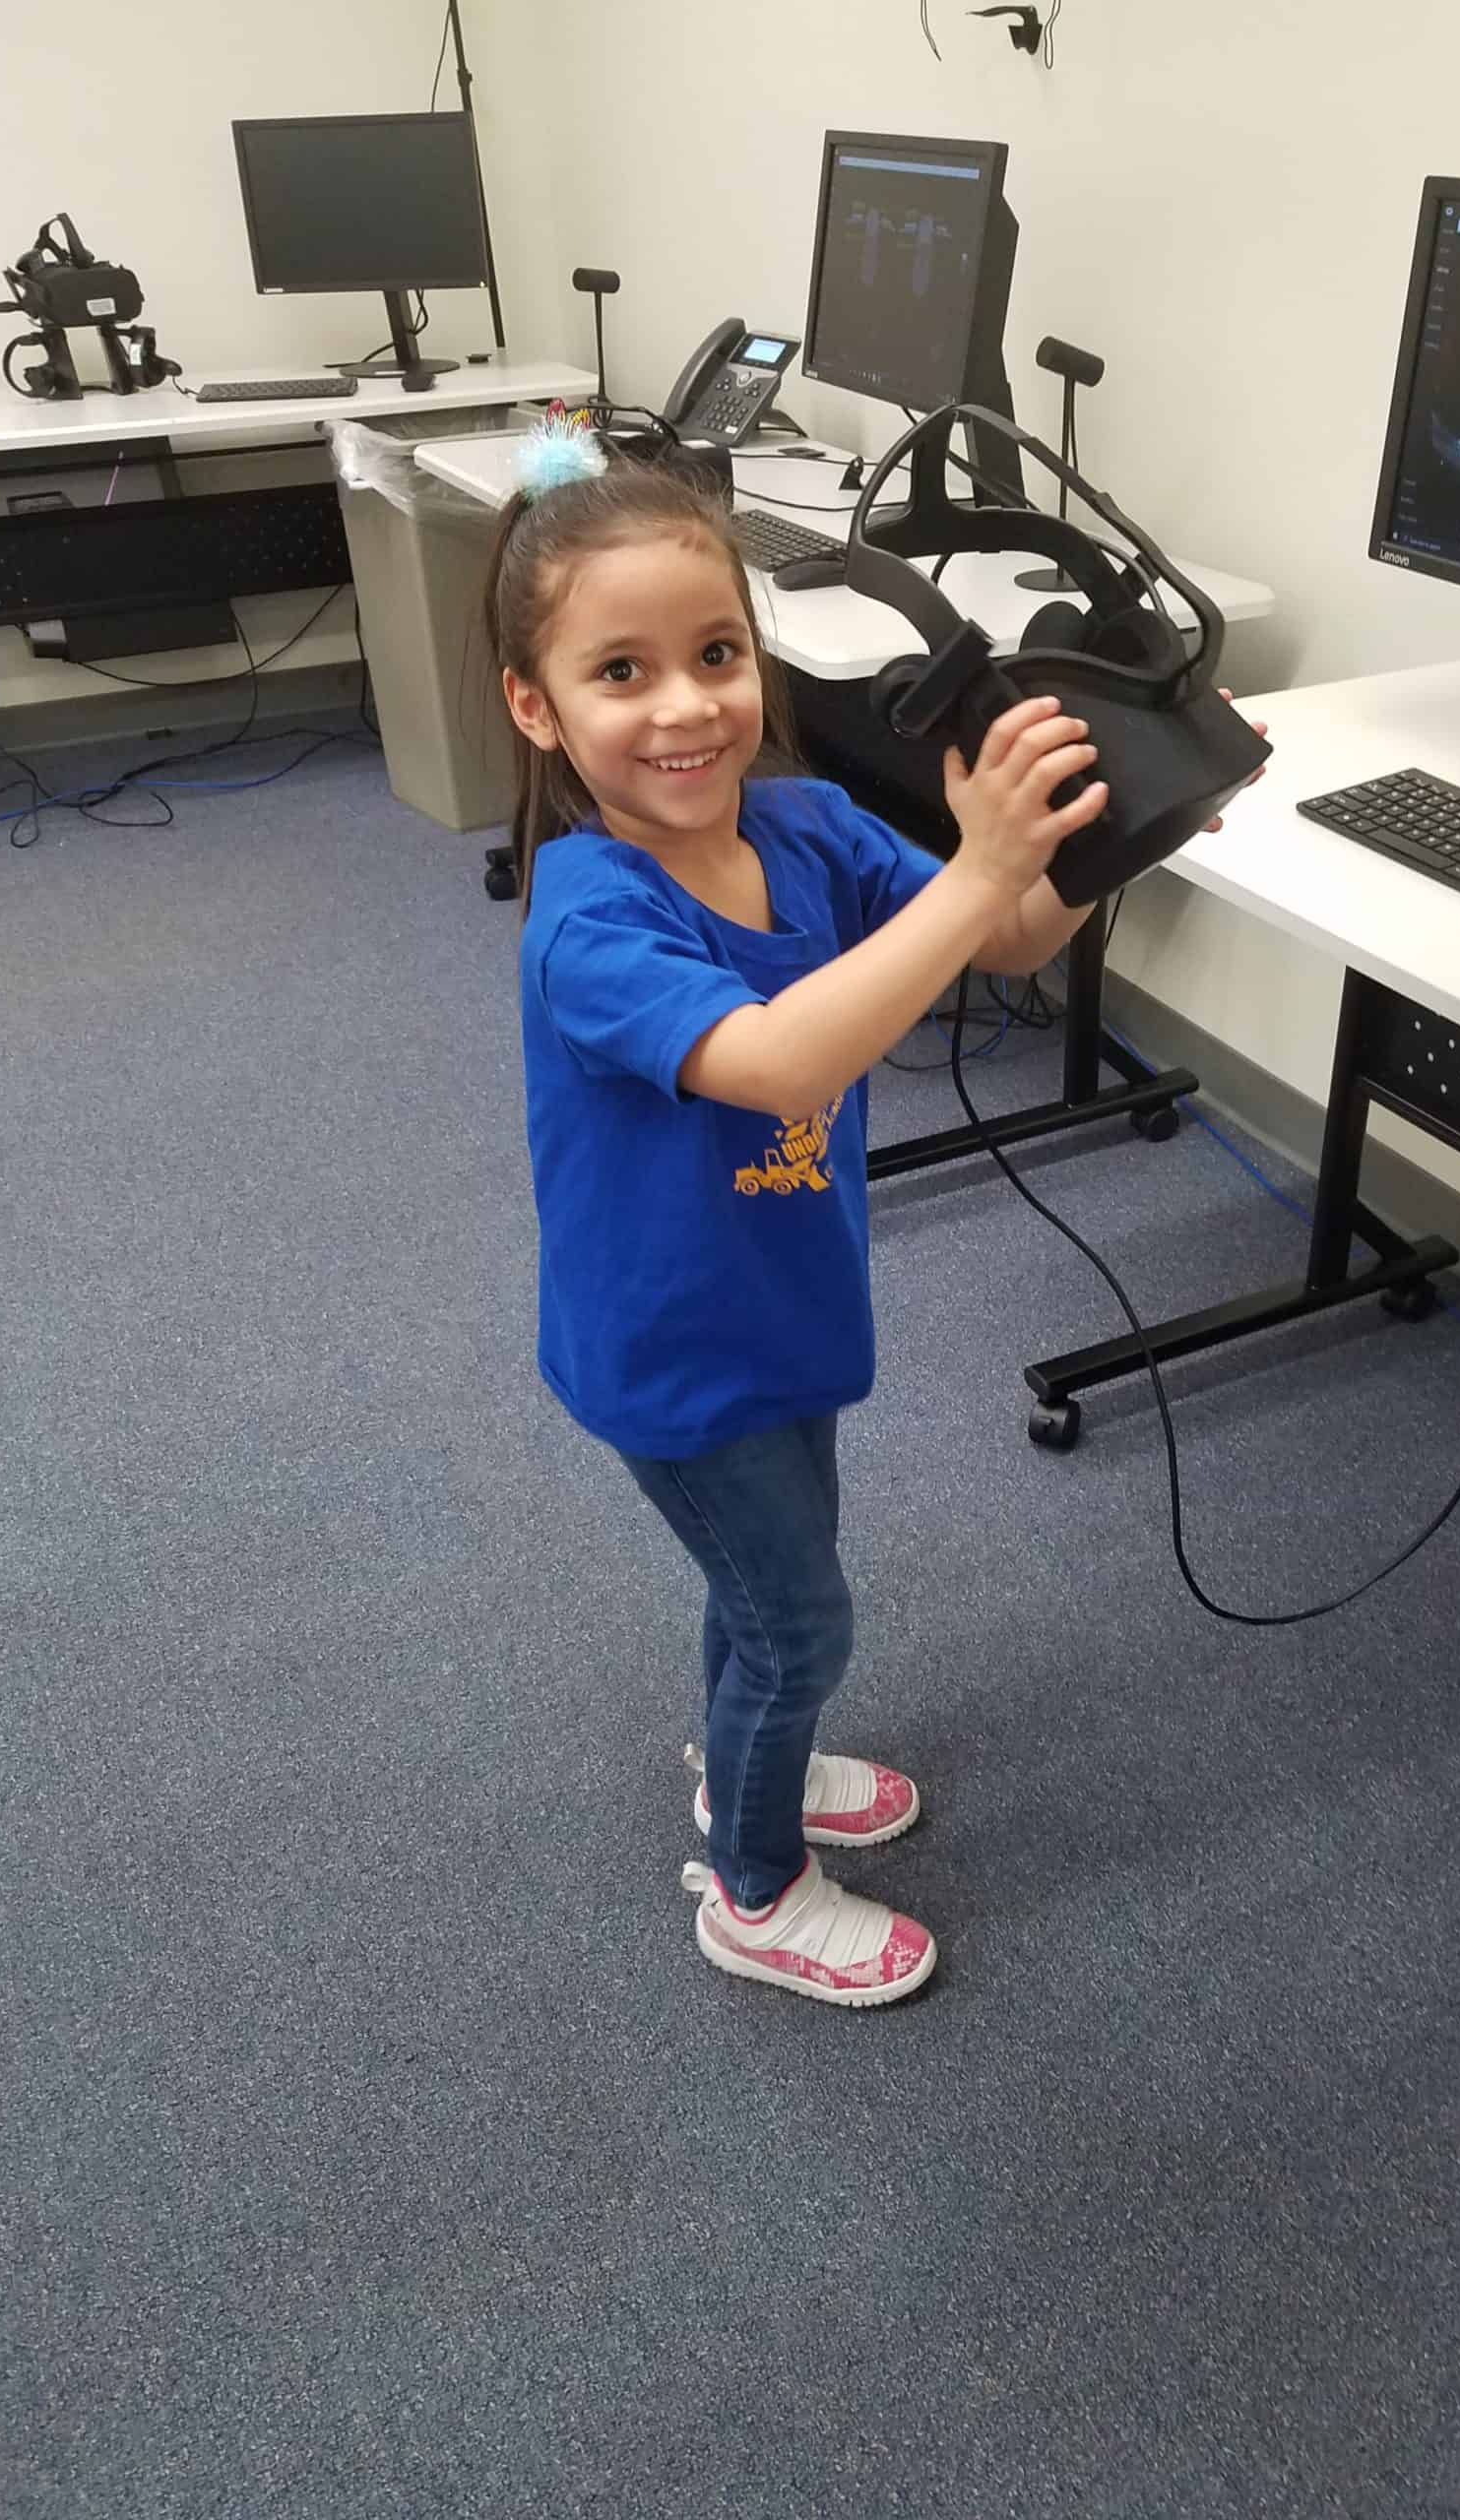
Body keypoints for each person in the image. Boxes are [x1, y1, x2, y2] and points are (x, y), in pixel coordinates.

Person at [485, 425, 1259, 2009]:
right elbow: (778, 1063)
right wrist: (980, 881)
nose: (688, 703)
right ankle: (755, 1889)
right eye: (620, 673)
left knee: (770, 1587)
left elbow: (1004, 938)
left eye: (714, 654)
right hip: (672, 1354)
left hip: (785, 1312)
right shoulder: (590, 921)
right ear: (537, 707)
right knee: (798, 1621)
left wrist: (1112, 836)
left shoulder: (808, 830)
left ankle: (738, 1765)